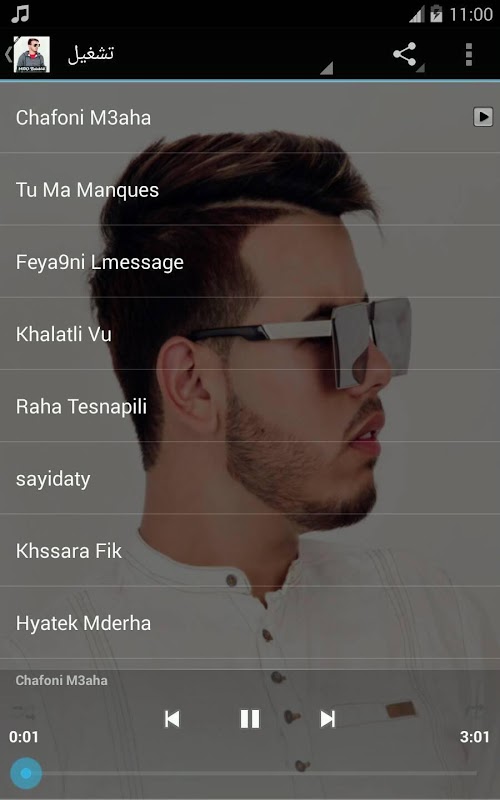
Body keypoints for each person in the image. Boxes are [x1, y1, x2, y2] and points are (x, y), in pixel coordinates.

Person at [1, 131, 498, 798]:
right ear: (193, 384)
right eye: (329, 333)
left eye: (371, 325)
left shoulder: (437, 624)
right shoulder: (44, 694)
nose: (376, 370)